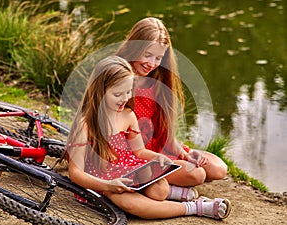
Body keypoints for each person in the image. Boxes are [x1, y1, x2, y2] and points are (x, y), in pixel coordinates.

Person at [65, 55, 231, 220]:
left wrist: (157, 157)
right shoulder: (85, 125)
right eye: (117, 94)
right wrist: (108, 185)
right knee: (131, 204)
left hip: (127, 169)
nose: (125, 99)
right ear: (99, 92)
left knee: (160, 190)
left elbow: (139, 151)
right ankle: (195, 207)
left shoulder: (128, 115)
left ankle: (172, 193)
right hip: (102, 179)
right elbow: (75, 173)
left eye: (129, 92)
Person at [115, 17, 228, 195]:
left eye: (158, 57)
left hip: (157, 147)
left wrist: (184, 154)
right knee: (196, 175)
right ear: (134, 48)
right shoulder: (118, 77)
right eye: (147, 54)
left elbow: (164, 133)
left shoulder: (158, 80)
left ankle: (166, 180)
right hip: (133, 154)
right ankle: (171, 191)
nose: (151, 63)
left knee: (218, 168)